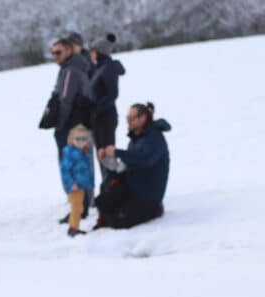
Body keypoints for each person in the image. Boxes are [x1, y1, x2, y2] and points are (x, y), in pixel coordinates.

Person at [40, 37, 92, 225]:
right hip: (78, 125)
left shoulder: (70, 70)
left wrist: (60, 125)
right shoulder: (77, 67)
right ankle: (81, 207)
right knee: (79, 166)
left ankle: (78, 210)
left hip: (71, 126)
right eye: (53, 53)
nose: (55, 56)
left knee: (72, 167)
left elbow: (66, 100)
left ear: (70, 51)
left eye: (59, 52)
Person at [95, 102, 170, 230]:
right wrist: (107, 160)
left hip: (148, 196)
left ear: (143, 118)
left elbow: (144, 160)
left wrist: (117, 152)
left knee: (117, 221)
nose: (128, 121)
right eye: (127, 118)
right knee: (102, 201)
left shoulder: (155, 138)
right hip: (132, 189)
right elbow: (126, 165)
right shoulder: (135, 139)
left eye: (131, 118)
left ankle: (156, 210)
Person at [88, 33, 125, 175]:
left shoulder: (108, 68)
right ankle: (108, 188)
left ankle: (115, 187)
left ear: (100, 52)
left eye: (93, 51)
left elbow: (112, 94)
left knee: (108, 156)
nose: (91, 54)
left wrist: (97, 109)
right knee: (102, 156)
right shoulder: (98, 68)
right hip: (98, 118)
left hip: (106, 117)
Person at [60, 124, 94, 237]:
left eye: (84, 139)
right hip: (74, 186)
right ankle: (73, 228)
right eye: (77, 139)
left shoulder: (83, 151)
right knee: (76, 207)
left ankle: (74, 226)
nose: (81, 141)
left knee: (80, 206)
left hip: (81, 185)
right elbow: (65, 170)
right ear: (71, 139)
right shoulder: (70, 153)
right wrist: (70, 183)